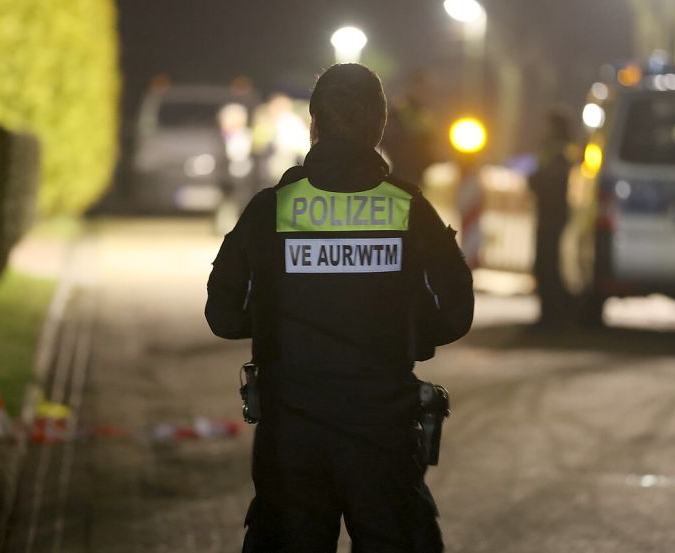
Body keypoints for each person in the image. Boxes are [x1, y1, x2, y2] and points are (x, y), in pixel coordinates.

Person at [206, 63, 474, 553]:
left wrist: (273, 317)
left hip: (291, 436)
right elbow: (456, 312)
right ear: (379, 127)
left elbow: (222, 316)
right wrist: (406, 332)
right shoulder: (408, 209)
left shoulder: (271, 209)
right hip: (383, 431)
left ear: (314, 125)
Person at [529, 110, 574, 326]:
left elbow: (551, 182)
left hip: (552, 215)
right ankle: (550, 314)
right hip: (550, 214)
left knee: (547, 265)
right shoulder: (554, 149)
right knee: (545, 264)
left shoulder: (559, 151)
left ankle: (551, 316)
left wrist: (534, 180)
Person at [380, 70, 438, 187]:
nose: (425, 91)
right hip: (403, 170)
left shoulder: (423, 113)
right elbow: (388, 138)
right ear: (412, 87)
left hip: (419, 171)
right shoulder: (399, 110)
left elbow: (430, 140)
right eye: (422, 86)